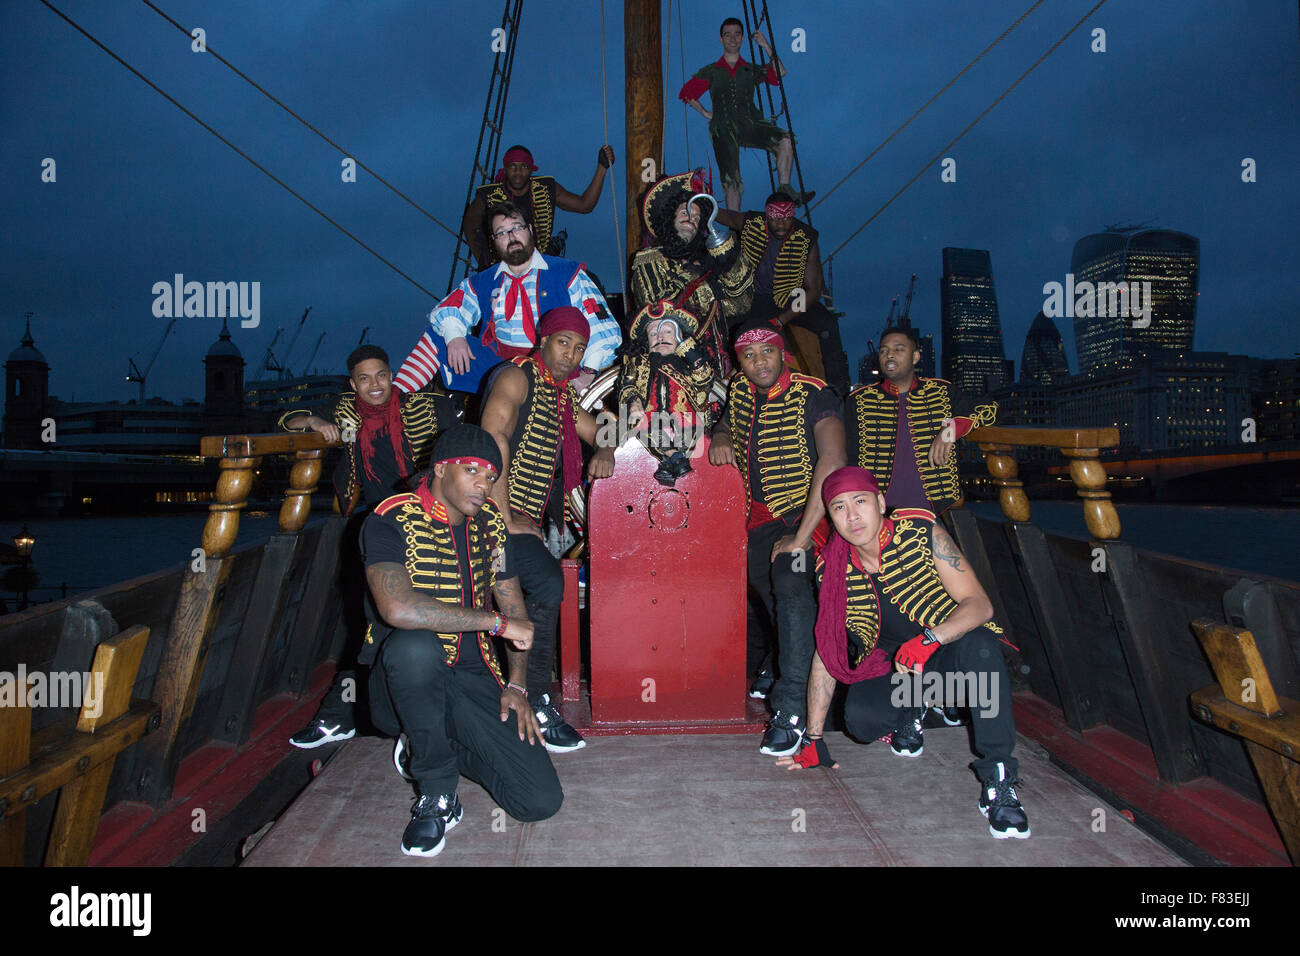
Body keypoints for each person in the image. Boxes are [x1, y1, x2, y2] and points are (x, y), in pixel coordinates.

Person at [775, 465, 1030, 840]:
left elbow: (979, 605)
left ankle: (999, 781)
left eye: (860, 501)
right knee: (860, 722)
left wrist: (931, 638)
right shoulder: (832, 568)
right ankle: (913, 707)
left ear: (880, 502)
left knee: (982, 648)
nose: (852, 516)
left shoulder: (924, 534)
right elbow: (827, 653)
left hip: (947, 649)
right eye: (839, 507)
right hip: (892, 667)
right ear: (829, 517)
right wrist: (813, 740)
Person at [362, 423, 561, 856]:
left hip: (473, 676)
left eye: (492, 476)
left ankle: (427, 746)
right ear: (438, 470)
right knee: (413, 646)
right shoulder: (390, 517)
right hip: (402, 681)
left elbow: (514, 609)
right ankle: (436, 791)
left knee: (539, 801)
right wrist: (494, 624)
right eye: (472, 470)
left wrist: (518, 685)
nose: (484, 484)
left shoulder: (491, 522)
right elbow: (398, 609)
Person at [278, 344, 457, 749]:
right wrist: (313, 420)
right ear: (353, 383)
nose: (374, 385)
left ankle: (412, 715)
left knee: (412, 616)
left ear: (391, 374)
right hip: (378, 522)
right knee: (371, 618)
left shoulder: (424, 405)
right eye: (364, 378)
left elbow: (457, 447)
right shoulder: (344, 408)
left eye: (380, 375)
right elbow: (286, 419)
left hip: (429, 517)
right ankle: (348, 714)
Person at [479, 307, 616, 752]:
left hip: (518, 524)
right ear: (543, 341)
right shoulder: (516, 376)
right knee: (541, 584)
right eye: (563, 344)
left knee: (544, 586)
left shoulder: (560, 396)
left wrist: (609, 449)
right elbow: (493, 437)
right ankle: (530, 697)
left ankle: (530, 695)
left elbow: (598, 432)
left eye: (578, 348)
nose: (570, 356)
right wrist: (502, 516)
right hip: (483, 519)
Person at [709, 321, 845, 755]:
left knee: (788, 579)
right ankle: (790, 663)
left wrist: (802, 537)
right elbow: (727, 423)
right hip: (758, 522)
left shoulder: (814, 392)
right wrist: (721, 434)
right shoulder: (739, 392)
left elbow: (834, 459)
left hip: (809, 514)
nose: (758, 362)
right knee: (767, 592)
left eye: (766, 352)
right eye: (748, 356)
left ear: (782, 352)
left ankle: (791, 710)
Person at [396, 202, 622, 396]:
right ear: (494, 241)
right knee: (440, 333)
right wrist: (455, 337)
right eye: (502, 232)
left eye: (517, 228)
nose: (511, 237)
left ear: (530, 230)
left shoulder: (567, 273)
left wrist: (589, 372)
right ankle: (394, 399)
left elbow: (602, 326)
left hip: (555, 371)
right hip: (498, 368)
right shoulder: (483, 282)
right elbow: (450, 309)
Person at [846, 326, 998, 515]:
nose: (889, 355)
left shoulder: (941, 391)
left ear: (915, 357)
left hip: (937, 509)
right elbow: (849, 456)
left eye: (898, 349)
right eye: (884, 350)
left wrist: (951, 429)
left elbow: (988, 408)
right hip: (876, 511)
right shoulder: (859, 400)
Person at [716, 194, 851, 397]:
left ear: (792, 216)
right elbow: (724, 215)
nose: (781, 224)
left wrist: (782, 320)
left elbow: (813, 291)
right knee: (723, 324)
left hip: (790, 297)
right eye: (775, 218)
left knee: (828, 324)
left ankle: (838, 393)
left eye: (786, 218)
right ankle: (725, 386)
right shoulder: (752, 222)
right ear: (767, 216)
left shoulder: (806, 237)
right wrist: (699, 202)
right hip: (753, 298)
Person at [629, 170, 753, 383]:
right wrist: (708, 287)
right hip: (670, 365)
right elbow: (657, 307)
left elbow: (740, 305)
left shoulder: (708, 263)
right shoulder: (649, 258)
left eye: (696, 217)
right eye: (685, 213)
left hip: (715, 367)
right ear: (670, 218)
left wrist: (730, 261)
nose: (691, 219)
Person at [678, 18, 813, 211]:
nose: (732, 38)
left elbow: (780, 72)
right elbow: (686, 93)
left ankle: (785, 190)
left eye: (737, 34)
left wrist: (765, 45)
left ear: (742, 39)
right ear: (721, 39)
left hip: (750, 123)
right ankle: (735, 230)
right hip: (723, 127)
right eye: (727, 34)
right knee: (731, 182)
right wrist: (705, 113)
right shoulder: (712, 71)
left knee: (786, 140)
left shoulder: (750, 69)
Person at [461, 144, 616, 269]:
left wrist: (602, 167)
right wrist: (485, 263)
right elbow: (469, 224)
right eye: (512, 166)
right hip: (502, 267)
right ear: (505, 168)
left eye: (524, 167)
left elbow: (585, 205)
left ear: (531, 169)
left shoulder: (546, 188)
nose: (518, 172)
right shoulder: (488, 195)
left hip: (539, 266)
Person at [616, 301, 718, 486]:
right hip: (649, 416)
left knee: (689, 431)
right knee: (647, 427)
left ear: (680, 336)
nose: (660, 336)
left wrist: (689, 350)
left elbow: (705, 379)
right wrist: (633, 400)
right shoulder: (637, 363)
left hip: (685, 417)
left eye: (668, 331)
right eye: (653, 333)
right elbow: (627, 385)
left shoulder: (689, 363)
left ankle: (671, 463)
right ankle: (673, 458)